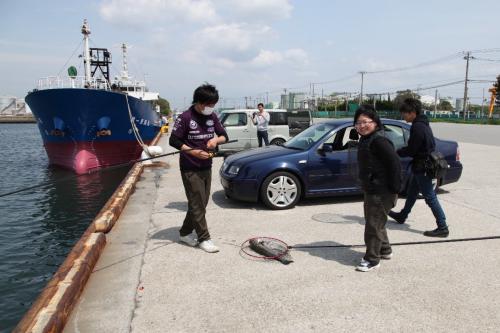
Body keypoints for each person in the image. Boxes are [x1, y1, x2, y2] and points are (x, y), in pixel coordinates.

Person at [169, 83, 228, 253]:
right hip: (190, 167)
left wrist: (215, 141)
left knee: (201, 203)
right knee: (197, 203)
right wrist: (193, 152)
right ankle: (204, 238)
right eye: (210, 105)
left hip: (206, 165)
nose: (212, 108)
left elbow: (224, 135)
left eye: (213, 105)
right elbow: (174, 140)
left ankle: (185, 232)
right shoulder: (186, 117)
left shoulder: (212, 117)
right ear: (200, 103)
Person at [388, 98, 449, 238]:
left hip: (423, 166)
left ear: (412, 112)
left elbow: (412, 150)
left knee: (430, 197)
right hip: (421, 165)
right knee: (412, 192)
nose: (403, 116)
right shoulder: (423, 124)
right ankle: (402, 215)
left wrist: (396, 152)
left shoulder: (418, 127)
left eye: (404, 113)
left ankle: (442, 227)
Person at [354, 105, 401, 272]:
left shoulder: (379, 140)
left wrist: (395, 188)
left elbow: (394, 163)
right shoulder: (366, 139)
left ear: (375, 122)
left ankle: (372, 259)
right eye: (358, 123)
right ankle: (385, 249)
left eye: (365, 122)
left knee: (373, 224)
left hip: (382, 190)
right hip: (372, 188)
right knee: (376, 221)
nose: (361, 126)